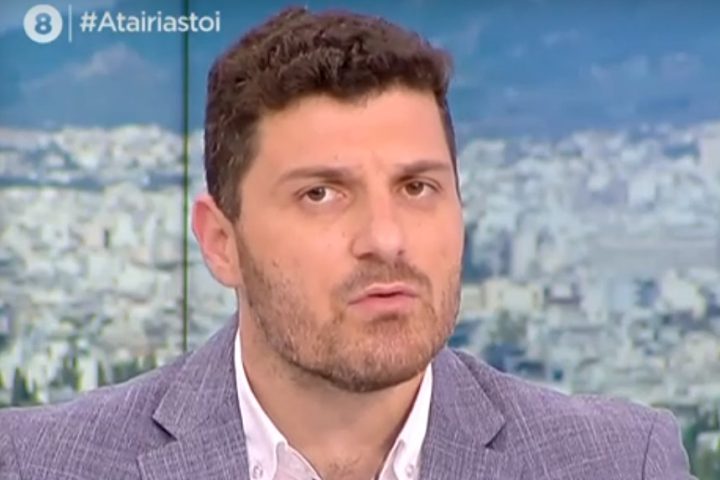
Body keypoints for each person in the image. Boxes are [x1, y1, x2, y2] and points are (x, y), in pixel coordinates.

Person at [0, 6, 694, 480]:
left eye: (417, 187)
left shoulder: (619, 463)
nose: (386, 239)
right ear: (220, 243)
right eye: (321, 194)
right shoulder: (40, 464)